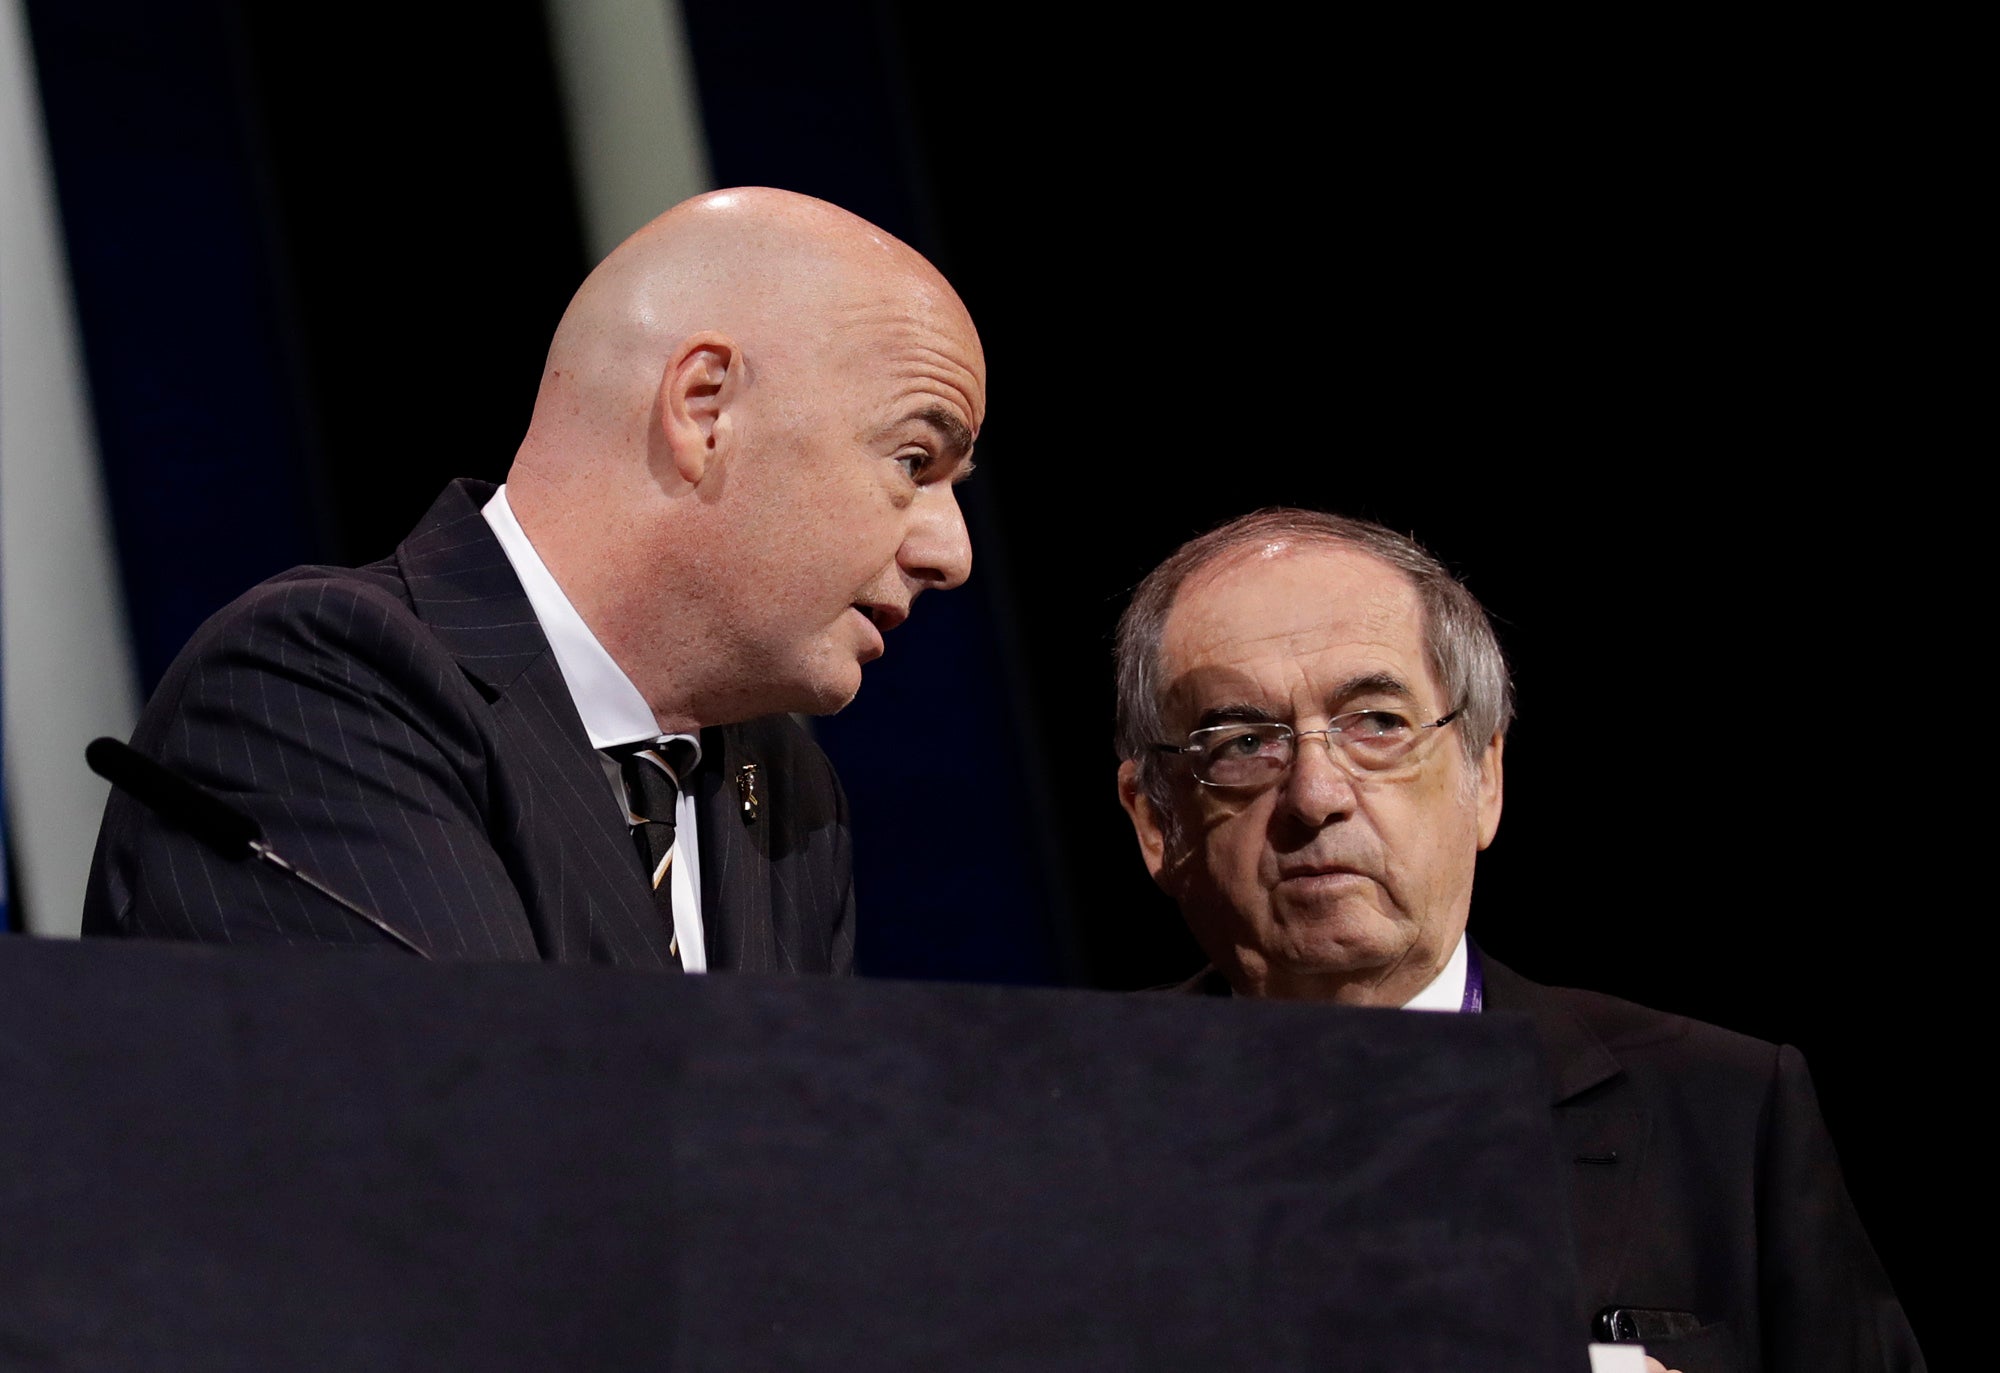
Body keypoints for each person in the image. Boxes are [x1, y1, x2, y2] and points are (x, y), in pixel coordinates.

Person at [84, 187, 984, 973]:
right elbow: (471, 1130)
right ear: (705, 407)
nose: (953, 551)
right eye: (914, 460)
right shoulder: (316, 689)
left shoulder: (788, 793)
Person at [1111, 509, 1923, 1372]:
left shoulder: (1726, 1111)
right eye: (1243, 743)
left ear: (1484, 776)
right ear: (1158, 823)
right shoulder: (1057, 1137)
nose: (1317, 794)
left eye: (1378, 723)